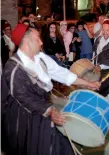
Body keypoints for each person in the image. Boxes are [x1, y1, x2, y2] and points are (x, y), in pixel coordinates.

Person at [1, 24, 100, 155]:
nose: (41, 42)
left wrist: (88, 83)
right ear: (27, 41)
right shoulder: (13, 68)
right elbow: (24, 98)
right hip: (24, 119)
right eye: (38, 39)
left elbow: (63, 74)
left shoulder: (40, 58)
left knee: (62, 148)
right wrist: (50, 110)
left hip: (42, 112)